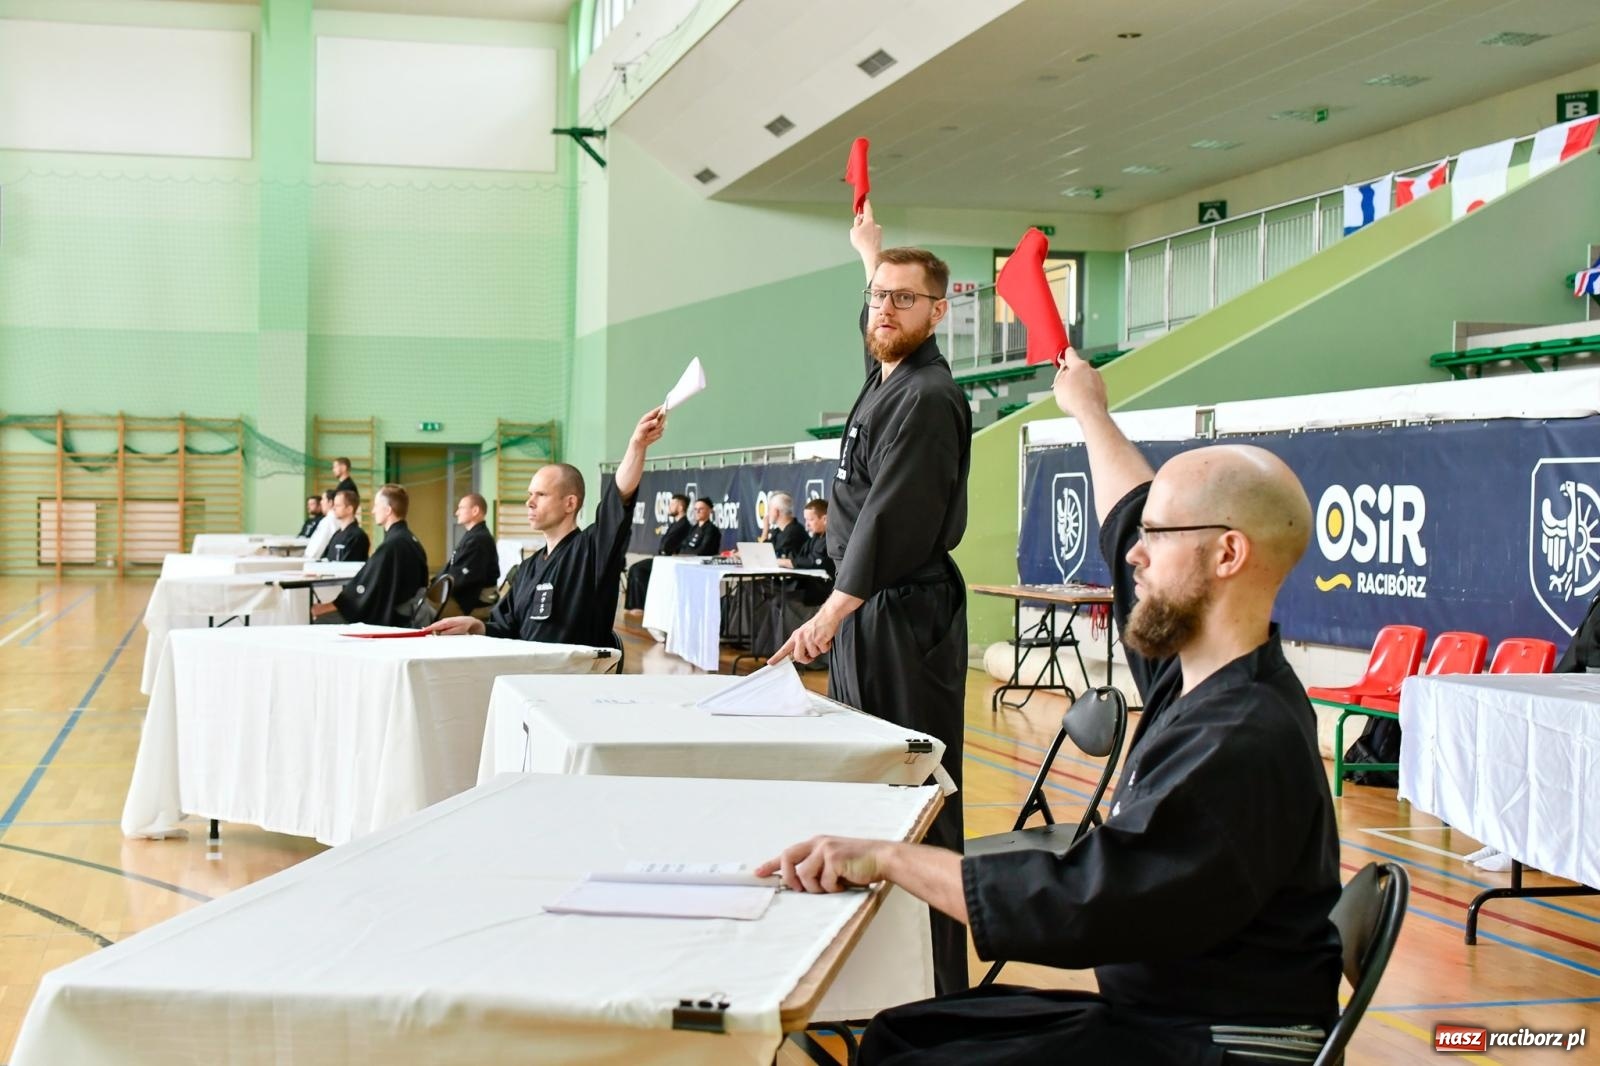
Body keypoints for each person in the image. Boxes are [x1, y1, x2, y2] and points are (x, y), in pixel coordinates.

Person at [758, 350, 1343, 1066]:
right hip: (1161, 1013)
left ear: (1227, 554)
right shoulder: (1195, 674)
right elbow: (1126, 515)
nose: (1135, 556)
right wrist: (1089, 412)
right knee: (901, 1032)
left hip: (1215, 1045)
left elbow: (1079, 902)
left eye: (1159, 539)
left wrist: (887, 857)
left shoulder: (1243, 738)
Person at [771, 199, 972, 994]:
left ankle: (934, 985)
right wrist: (870, 254)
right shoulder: (890, 374)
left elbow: (889, 522)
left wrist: (828, 614)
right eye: (877, 297)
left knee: (913, 797)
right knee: (867, 783)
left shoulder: (927, 399)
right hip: (866, 614)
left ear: (939, 311)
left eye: (903, 299)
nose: (884, 310)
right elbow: (880, 331)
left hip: (899, 618)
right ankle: (877, 968)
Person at [426, 408, 667, 648]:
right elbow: (506, 628)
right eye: (530, 494)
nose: (529, 502)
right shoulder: (527, 569)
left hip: (573, 678)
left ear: (569, 503)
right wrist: (475, 626)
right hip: (527, 675)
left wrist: (637, 446)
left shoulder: (591, 550)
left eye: (540, 494)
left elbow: (617, 500)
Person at [311, 484, 429, 627]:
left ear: (388, 510)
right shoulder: (410, 540)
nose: (373, 511)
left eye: (376, 505)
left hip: (393, 617)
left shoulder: (391, 546)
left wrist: (328, 606)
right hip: (408, 612)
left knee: (320, 621)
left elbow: (364, 591)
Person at [624, 493, 691, 611]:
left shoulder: (684, 525)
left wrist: (667, 550)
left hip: (670, 560)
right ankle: (634, 605)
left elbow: (670, 545)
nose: (669, 507)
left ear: (680, 507)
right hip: (662, 558)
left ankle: (642, 606)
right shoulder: (676, 524)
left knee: (639, 570)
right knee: (634, 567)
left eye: (672, 504)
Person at [436, 493, 498, 615]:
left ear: (475, 511)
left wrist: (438, 589)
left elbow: (465, 579)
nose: (456, 513)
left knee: (427, 611)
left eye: (461, 508)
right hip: (469, 595)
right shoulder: (474, 536)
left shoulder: (478, 540)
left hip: (475, 602)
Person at [322, 489, 369, 563]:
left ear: (349, 509)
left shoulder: (358, 536)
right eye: (334, 505)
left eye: (338, 505)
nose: (334, 508)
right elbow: (326, 558)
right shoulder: (337, 534)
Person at [758, 492, 807, 559]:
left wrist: (765, 529)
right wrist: (766, 529)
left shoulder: (794, 532)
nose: (767, 514)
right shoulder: (778, 531)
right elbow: (762, 550)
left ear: (776, 512)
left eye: (769, 510)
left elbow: (767, 556)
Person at [303, 489, 339, 561]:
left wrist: (307, 560)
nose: (321, 502)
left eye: (323, 499)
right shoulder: (330, 520)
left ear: (330, 502)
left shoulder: (328, 521)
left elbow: (317, 547)